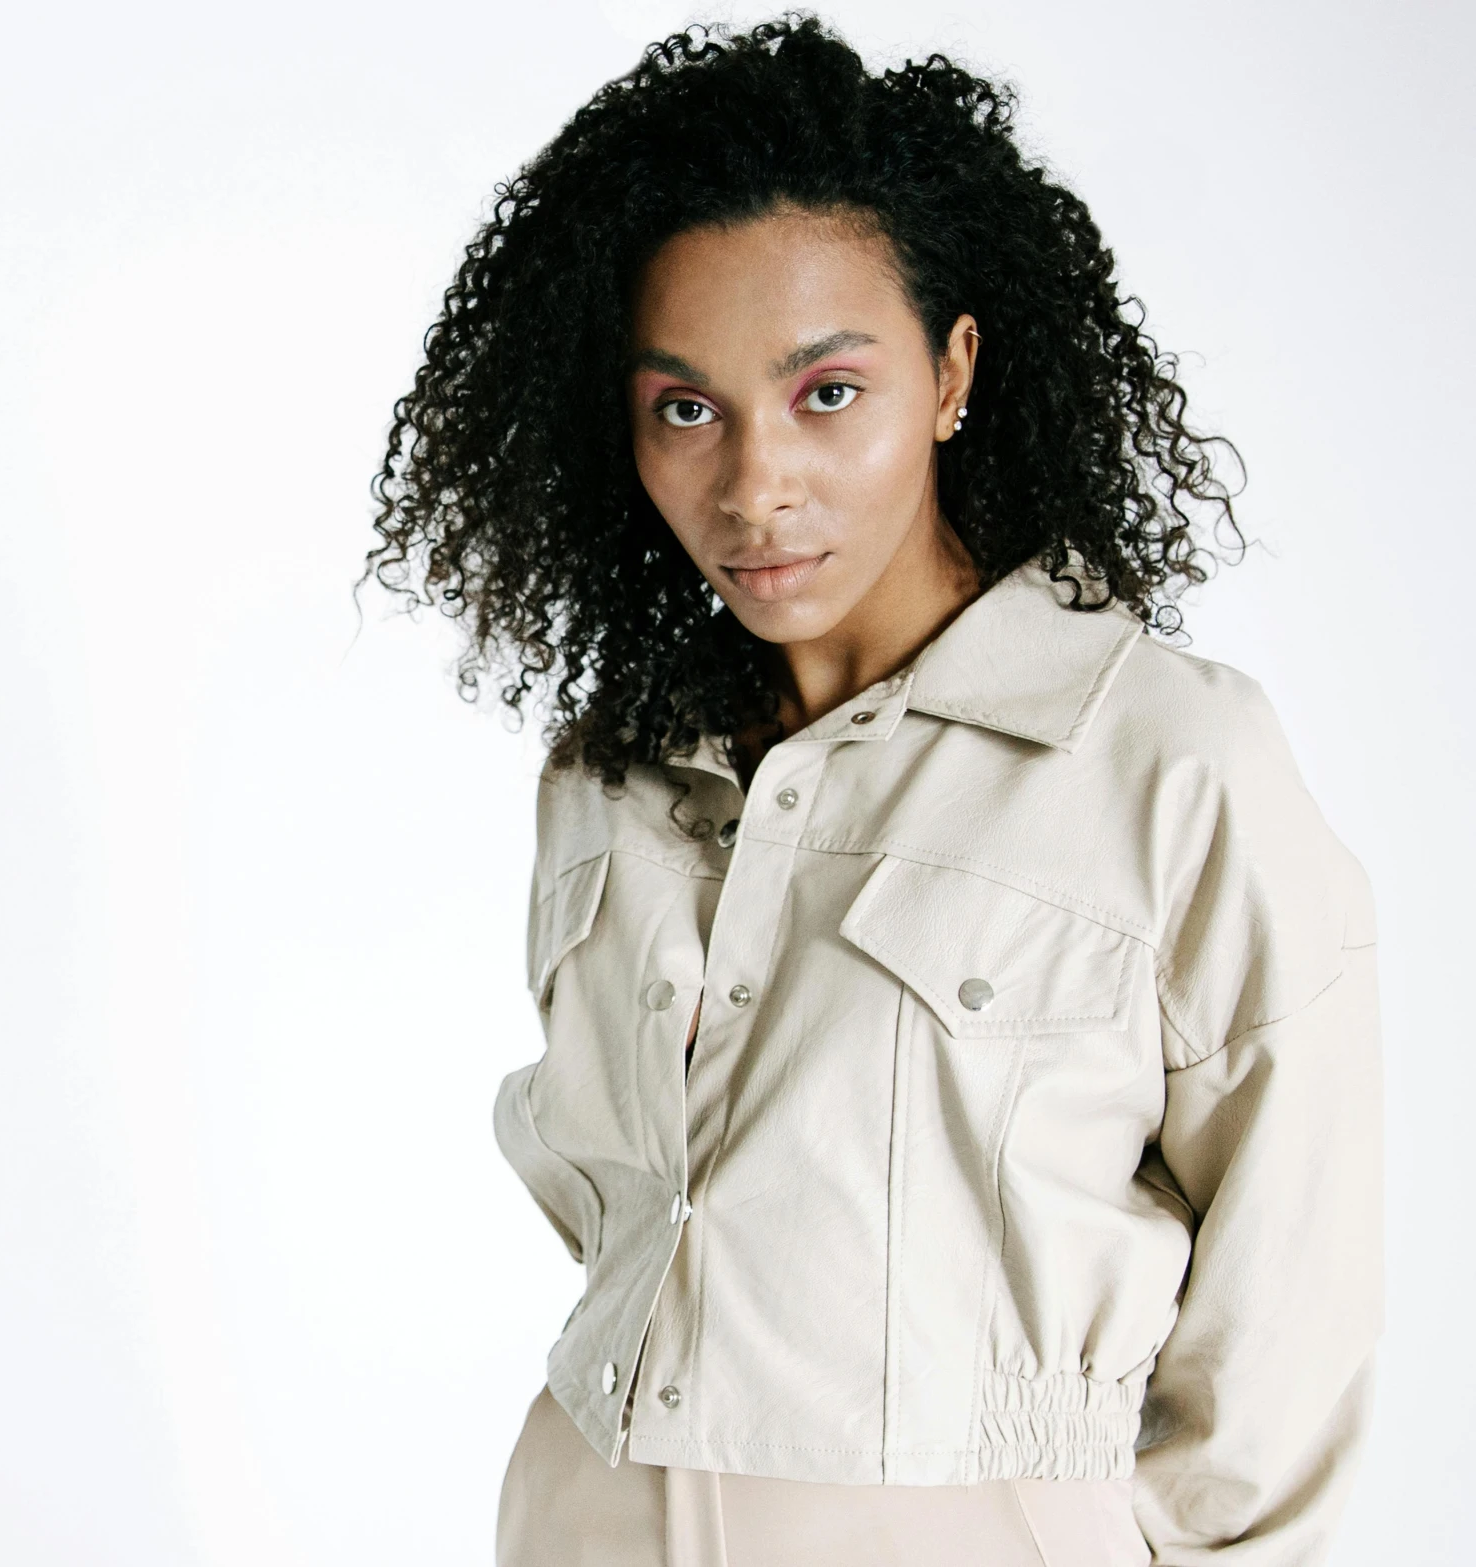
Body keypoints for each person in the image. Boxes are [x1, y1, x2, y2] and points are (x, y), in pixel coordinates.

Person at [364, 18, 1380, 1567]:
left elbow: (1288, 1313)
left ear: (951, 369)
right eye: (683, 408)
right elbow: (630, 1219)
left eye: (825, 394)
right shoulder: (610, 773)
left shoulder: (1162, 763)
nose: (752, 483)